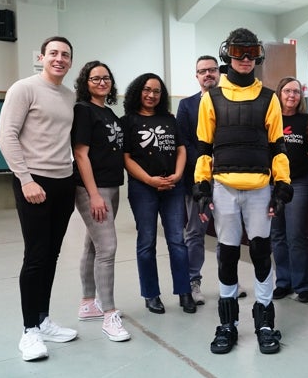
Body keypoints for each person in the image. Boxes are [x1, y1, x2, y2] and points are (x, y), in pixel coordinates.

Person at [193, 27, 292, 355]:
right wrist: (202, 185)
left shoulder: (269, 98)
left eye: (251, 52)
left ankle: (265, 321)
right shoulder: (211, 98)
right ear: (228, 54)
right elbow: (204, 147)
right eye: (239, 52)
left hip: (260, 188)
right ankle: (228, 324)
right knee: (228, 255)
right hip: (224, 188)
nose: (246, 59)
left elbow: (278, 146)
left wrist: (282, 184)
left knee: (262, 253)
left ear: (258, 54)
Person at [0, 36, 78, 362]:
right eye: (54, 53)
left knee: (52, 255)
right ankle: (29, 330)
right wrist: (25, 179)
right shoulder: (24, 88)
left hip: (63, 182)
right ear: (42, 57)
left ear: (70, 61)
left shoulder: (70, 96)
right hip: (34, 183)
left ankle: (43, 320)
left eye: (65, 55)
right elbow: (6, 136)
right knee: (36, 256)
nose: (59, 58)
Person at [121, 73, 196, 315]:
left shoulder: (169, 119)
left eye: (156, 91)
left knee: (178, 240)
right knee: (146, 242)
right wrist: (150, 180)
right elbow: (127, 158)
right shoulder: (127, 122)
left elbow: (182, 149)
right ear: (137, 91)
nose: (151, 95)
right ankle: (151, 294)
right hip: (143, 188)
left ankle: (185, 292)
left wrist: (177, 175)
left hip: (173, 187)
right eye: (146, 89)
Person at [71, 61, 130, 342]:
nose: (102, 82)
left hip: (112, 185)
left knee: (93, 244)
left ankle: (87, 304)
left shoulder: (109, 113)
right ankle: (109, 314)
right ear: (86, 82)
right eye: (95, 78)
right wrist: (93, 194)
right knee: (107, 247)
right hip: (92, 189)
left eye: (106, 78)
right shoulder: (83, 110)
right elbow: (80, 154)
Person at [176, 55, 221, 305]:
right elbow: (184, 142)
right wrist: (207, 161)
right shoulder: (186, 106)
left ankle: (229, 282)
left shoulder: (229, 101)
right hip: (197, 178)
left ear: (219, 73)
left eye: (212, 70)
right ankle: (193, 282)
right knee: (195, 232)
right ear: (197, 76)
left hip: (228, 177)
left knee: (229, 232)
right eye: (202, 71)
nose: (208, 75)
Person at [270, 77, 308, 303]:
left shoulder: (307, 121)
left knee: (296, 235)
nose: (291, 95)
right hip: (272, 185)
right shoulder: (270, 118)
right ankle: (283, 282)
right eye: (287, 90)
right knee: (277, 235)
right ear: (279, 93)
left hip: (298, 182)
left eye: (296, 92)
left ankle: (302, 285)